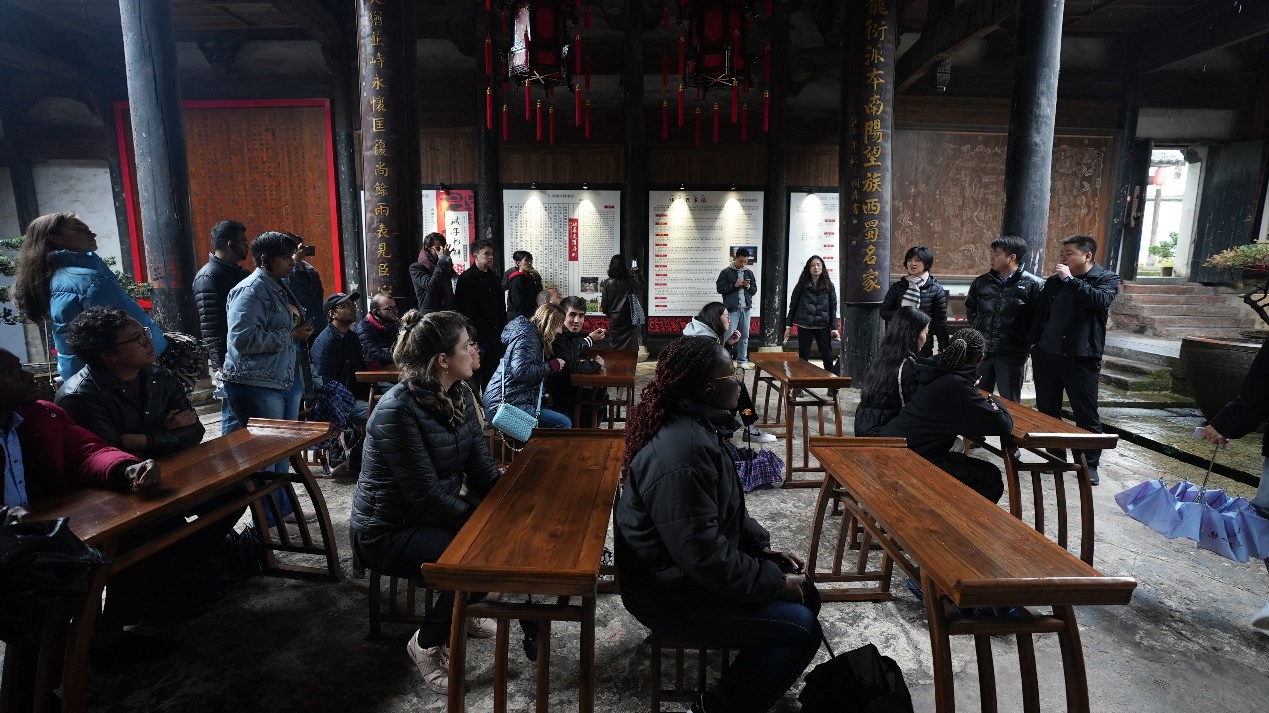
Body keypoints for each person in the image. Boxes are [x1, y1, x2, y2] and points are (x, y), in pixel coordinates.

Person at [614, 336, 821, 713]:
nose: (740, 383)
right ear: (708, 389)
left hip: (683, 575)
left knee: (806, 592)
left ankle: (749, 671)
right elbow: (704, 557)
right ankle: (717, 707)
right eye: (733, 376)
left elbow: (721, 513)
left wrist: (763, 553)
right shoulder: (686, 451)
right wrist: (773, 582)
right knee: (803, 628)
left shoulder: (700, 427)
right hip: (668, 596)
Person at [349, 310, 500, 695]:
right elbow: (425, 495)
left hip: (429, 514)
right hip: (387, 529)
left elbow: (482, 470)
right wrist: (482, 524)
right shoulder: (397, 410)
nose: (475, 351)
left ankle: (462, 607)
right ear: (442, 360)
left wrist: (508, 504)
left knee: (499, 542)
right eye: (467, 346)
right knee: (479, 557)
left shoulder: (459, 394)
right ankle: (426, 643)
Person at [12, 212, 168, 383]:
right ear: (55, 238)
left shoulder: (55, 277)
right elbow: (135, 325)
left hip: (80, 375)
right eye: (79, 229)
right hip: (114, 376)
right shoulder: (89, 281)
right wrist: (163, 348)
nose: (92, 234)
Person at [880, 328, 1014, 503]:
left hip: (896, 449)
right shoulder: (958, 386)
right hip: (909, 460)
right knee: (990, 480)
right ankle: (954, 519)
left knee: (982, 469)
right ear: (980, 359)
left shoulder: (935, 371)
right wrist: (992, 400)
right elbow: (1004, 424)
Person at [1027, 235, 1119, 486]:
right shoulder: (1053, 282)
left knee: (1085, 413)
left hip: (1081, 357)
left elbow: (1099, 301)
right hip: (1047, 354)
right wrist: (1034, 343)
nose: (1063, 258)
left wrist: (1070, 280)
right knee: (1048, 410)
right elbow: (1040, 314)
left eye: (1069, 253)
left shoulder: (1105, 279)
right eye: (1062, 253)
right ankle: (1055, 458)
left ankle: (1089, 464)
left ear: (1087, 256)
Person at [57, 307, 204, 458]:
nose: (149, 341)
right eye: (137, 339)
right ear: (108, 354)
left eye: (145, 333)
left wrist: (142, 440)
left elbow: (196, 431)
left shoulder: (162, 376)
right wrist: (165, 430)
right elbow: (112, 457)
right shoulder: (80, 398)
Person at [223, 232, 313, 467]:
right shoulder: (250, 290)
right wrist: (291, 335)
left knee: (283, 454)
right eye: (285, 257)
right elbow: (243, 339)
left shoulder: (279, 285)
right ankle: (270, 493)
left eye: (291, 256)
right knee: (267, 458)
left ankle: (282, 494)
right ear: (265, 259)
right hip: (258, 383)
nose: (292, 262)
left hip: (285, 378)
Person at [964, 235, 1044, 402]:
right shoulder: (982, 282)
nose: (991, 257)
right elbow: (971, 308)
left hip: (1012, 352)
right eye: (991, 253)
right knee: (977, 396)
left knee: (1010, 400)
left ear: (1011, 257)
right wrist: (978, 329)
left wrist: (1025, 341)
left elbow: (1039, 319)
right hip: (982, 350)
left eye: (996, 254)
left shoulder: (1034, 284)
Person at [683, 302, 775, 443]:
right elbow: (715, 367)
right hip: (698, 393)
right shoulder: (705, 341)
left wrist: (728, 345)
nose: (729, 320)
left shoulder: (699, 334)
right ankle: (744, 430)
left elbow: (715, 363)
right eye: (727, 317)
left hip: (697, 389)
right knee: (736, 388)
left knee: (736, 385)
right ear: (716, 318)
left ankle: (747, 429)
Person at [193, 219, 251, 434]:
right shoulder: (208, 277)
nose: (247, 246)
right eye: (243, 241)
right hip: (230, 358)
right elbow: (211, 325)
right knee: (233, 415)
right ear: (230, 244)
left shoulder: (242, 273)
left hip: (248, 352)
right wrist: (220, 362)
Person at [481, 303, 573, 430]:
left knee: (556, 412)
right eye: (558, 326)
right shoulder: (528, 337)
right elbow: (521, 371)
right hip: (503, 408)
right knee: (563, 422)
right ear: (549, 323)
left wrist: (542, 393)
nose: (560, 331)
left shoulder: (531, 335)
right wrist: (551, 366)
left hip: (508, 402)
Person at [311, 292, 370, 474]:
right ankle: (366, 461)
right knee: (379, 414)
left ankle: (363, 457)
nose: (352, 308)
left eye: (353, 305)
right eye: (345, 306)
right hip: (339, 402)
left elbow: (360, 372)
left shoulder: (352, 337)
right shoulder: (326, 341)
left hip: (356, 394)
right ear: (332, 314)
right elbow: (324, 384)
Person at [854, 306, 930, 437]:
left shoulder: (883, 358)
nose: (926, 338)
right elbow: (915, 410)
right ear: (914, 335)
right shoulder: (907, 367)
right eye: (926, 333)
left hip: (863, 430)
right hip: (884, 437)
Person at [454, 239, 507, 391]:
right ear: (475, 256)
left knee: (493, 375)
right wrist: (472, 336)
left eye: (492, 254)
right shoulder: (466, 279)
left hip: (494, 335)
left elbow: (501, 307)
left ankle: (490, 402)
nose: (491, 257)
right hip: (477, 336)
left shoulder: (494, 278)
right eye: (486, 254)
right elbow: (463, 311)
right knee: (474, 375)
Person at [546, 296, 606, 426]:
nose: (577, 320)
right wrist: (595, 364)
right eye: (572, 315)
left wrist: (590, 340)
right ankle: (585, 434)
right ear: (563, 315)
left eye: (581, 316)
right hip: (556, 395)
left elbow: (574, 350)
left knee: (600, 393)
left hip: (564, 389)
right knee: (596, 397)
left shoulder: (567, 335)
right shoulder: (557, 336)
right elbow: (571, 367)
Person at [880, 246, 949, 358]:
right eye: (909, 260)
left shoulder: (935, 289)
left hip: (923, 344)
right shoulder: (898, 287)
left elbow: (939, 321)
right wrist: (906, 314)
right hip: (897, 342)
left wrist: (944, 345)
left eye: (918, 260)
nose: (913, 264)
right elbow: (884, 312)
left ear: (926, 263)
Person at [782, 255, 840, 377]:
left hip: (822, 326)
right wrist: (788, 326)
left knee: (828, 357)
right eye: (813, 265)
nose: (816, 268)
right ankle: (801, 383)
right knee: (803, 358)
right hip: (805, 326)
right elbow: (793, 306)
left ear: (822, 267)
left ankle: (831, 384)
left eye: (818, 265)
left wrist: (834, 328)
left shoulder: (829, 285)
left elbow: (833, 308)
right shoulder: (801, 285)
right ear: (808, 268)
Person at [716, 248, 757, 368]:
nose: (743, 264)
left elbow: (754, 291)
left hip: (746, 309)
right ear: (735, 258)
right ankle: (724, 360)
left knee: (744, 336)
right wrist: (734, 285)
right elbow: (720, 289)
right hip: (731, 309)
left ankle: (742, 361)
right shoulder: (726, 272)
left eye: (745, 261)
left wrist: (748, 287)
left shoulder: (749, 273)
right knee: (728, 335)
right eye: (741, 261)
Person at [600, 253, 644, 352]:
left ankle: (617, 361)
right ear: (624, 266)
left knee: (615, 346)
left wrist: (610, 314)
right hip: (629, 318)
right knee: (630, 347)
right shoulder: (631, 281)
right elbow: (642, 287)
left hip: (614, 319)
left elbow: (604, 303)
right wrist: (638, 274)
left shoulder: (607, 282)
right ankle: (630, 362)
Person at [283, 235, 323, 345]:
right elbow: (289, 287)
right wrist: (295, 260)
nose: (299, 248)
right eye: (294, 246)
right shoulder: (282, 271)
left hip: (318, 325)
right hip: (299, 329)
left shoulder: (310, 269)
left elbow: (318, 296)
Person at [410, 232, 456, 314]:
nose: (441, 252)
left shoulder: (445, 264)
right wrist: (442, 260)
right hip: (430, 315)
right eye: (438, 248)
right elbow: (431, 285)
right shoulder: (416, 268)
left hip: (449, 312)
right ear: (427, 248)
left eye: (443, 248)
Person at [354, 292, 400, 370]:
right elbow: (380, 357)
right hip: (371, 375)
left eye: (395, 307)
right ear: (375, 312)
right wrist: (406, 357)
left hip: (387, 371)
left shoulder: (391, 324)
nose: (396, 311)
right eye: (390, 309)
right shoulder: (363, 330)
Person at [504, 250, 543, 321]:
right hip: (519, 317)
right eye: (526, 260)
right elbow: (517, 303)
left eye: (531, 260)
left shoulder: (531, 277)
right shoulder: (517, 279)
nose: (530, 263)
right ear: (518, 263)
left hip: (529, 315)